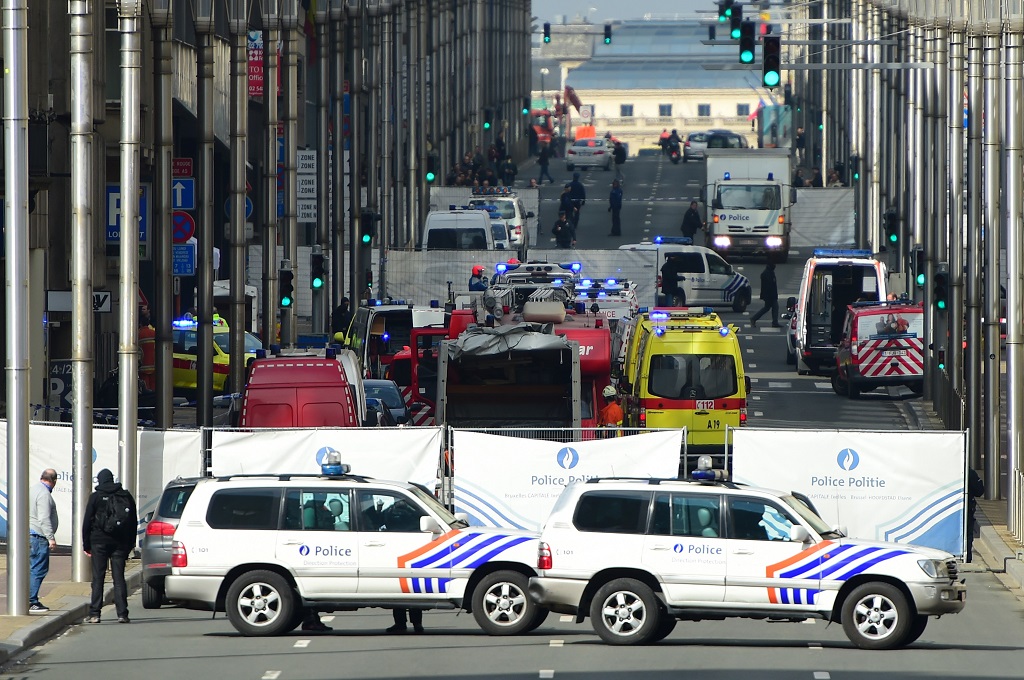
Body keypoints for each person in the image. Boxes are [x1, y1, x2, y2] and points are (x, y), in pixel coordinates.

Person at [83, 468, 138, 623]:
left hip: (98, 542)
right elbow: (133, 522)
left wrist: (86, 545)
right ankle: (122, 613)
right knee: (118, 578)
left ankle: (95, 613)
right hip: (120, 543)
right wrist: (130, 545)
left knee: (98, 577)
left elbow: (87, 521)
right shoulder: (125, 496)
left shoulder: (95, 497)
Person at [28, 469, 58, 614]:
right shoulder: (44, 494)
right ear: (54, 481)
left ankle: (27, 598)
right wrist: (50, 537)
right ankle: (31, 600)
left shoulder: (33, 489)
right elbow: (44, 518)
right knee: (38, 569)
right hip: (38, 536)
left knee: (32, 568)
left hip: (29, 533)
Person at [750, 263, 780, 328]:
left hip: (770, 295)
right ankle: (774, 322)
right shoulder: (767, 274)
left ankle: (754, 318)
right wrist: (771, 295)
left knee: (768, 308)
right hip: (770, 295)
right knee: (773, 307)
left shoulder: (769, 272)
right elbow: (768, 287)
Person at [967, 467, 985, 562]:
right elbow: (979, 491)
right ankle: (967, 558)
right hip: (967, 508)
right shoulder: (969, 472)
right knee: (967, 533)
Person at [138, 305, 156, 391]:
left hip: (143, 365)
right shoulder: (153, 332)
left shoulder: (138, 334)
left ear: (140, 324)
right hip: (153, 364)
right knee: (153, 386)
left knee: (145, 387)